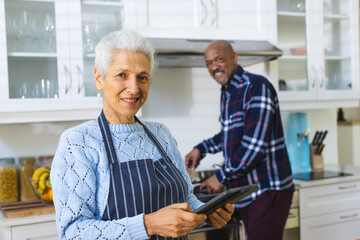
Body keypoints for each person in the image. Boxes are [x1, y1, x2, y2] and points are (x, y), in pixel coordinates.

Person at [50, 30, 234, 240]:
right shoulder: (78, 143)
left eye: (142, 77)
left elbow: (186, 199)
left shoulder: (161, 134)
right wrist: (149, 225)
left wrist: (207, 211)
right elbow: (73, 233)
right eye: (122, 75)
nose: (134, 88)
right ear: (99, 79)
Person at [185, 40, 294, 240]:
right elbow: (229, 135)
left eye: (219, 59)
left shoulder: (256, 86)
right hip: (249, 192)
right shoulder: (228, 92)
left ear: (234, 58)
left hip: (267, 189)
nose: (214, 67)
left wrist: (220, 176)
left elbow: (253, 147)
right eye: (209, 63)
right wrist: (200, 149)